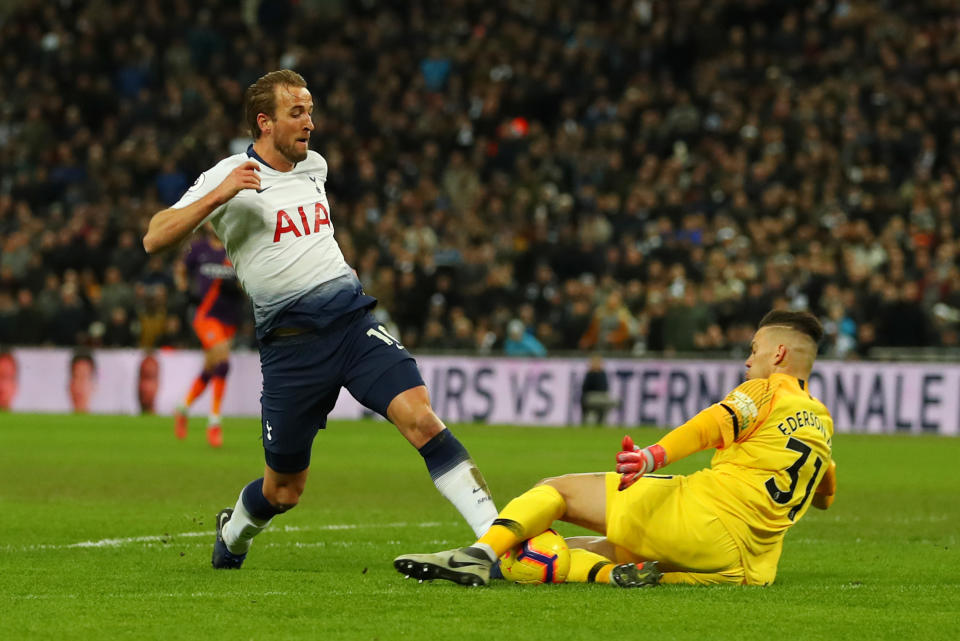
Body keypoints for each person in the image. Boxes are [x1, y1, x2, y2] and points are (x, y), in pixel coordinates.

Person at [142, 69, 497, 570]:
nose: (309, 122)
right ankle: (235, 533)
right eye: (297, 112)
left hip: (353, 325)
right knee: (284, 491)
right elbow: (154, 237)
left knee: (420, 417)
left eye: (310, 111)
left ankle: (498, 541)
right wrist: (217, 196)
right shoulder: (227, 175)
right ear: (264, 122)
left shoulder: (315, 167)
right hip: (291, 349)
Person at [394, 310, 837, 587]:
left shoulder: (764, 391)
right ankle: (602, 573)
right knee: (594, 547)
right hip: (747, 567)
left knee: (558, 490)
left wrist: (652, 456)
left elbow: (711, 425)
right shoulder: (822, 421)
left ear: (779, 354)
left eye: (754, 350)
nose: (748, 360)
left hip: (703, 515)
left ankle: (479, 555)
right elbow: (825, 493)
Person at [172, 227, 244, 446]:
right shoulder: (198, 248)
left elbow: (246, 280)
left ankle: (183, 408)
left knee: (212, 367)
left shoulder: (236, 248)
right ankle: (214, 422)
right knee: (223, 363)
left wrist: (239, 286)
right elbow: (180, 268)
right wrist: (184, 289)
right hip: (206, 314)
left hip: (230, 316)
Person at [580, 355, 618, 425]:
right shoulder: (591, 374)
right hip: (592, 397)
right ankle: (598, 422)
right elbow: (585, 388)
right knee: (603, 403)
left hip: (600, 397)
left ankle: (601, 422)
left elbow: (604, 388)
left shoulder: (602, 374)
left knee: (606, 404)